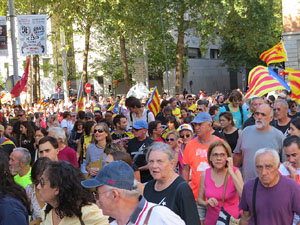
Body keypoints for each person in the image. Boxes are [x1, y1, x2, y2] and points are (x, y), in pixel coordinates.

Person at [81, 160, 185, 225]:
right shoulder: (113, 222)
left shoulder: (160, 217)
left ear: (114, 195)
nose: (96, 199)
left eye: (97, 194)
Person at [239, 148, 300, 225]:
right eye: (259, 167)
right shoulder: (249, 187)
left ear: (278, 166)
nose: (263, 172)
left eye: (268, 166)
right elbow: (245, 217)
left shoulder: (292, 187)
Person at [144, 142, 200, 225]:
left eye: (160, 161)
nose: (154, 166)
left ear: (172, 164)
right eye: (151, 161)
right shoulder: (148, 187)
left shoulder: (182, 189)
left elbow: (192, 222)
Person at [37, 161, 109, 224]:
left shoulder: (88, 212)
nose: (38, 187)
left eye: (42, 182)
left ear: (56, 189)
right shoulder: (46, 212)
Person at [182, 112, 221, 223]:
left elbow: (226, 170)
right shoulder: (190, 145)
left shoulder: (219, 143)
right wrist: (185, 189)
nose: (197, 128)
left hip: (216, 196)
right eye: (195, 125)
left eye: (200, 125)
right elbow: (186, 169)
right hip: (196, 196)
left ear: (209, 126)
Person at [233, 103, 284, 181]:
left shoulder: (279, 136)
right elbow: (238, 156)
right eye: (257, 114)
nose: (259, 117)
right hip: (247, 185)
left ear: (271, 118)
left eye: (263, 115)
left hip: (271, 185)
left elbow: (284, 162)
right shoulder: (245, 132)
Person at [197, 140, 243, 225]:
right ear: (210, 157)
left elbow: (244, 195)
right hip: (211, 221)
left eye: (222, 155)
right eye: (215, 155)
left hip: (231, 221)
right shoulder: (205, 173)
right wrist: (207, 203)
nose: (219, 158)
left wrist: (231, 172)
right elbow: (199, 199)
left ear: (228, 157)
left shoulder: (235, 172)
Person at [0, 150, 31, 224]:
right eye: (9, 159)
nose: (9, 163)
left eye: (12, 160)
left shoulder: (10, 207)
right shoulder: (13, 178)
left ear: (23, 163)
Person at [25, 157, 51, 223]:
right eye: (36, 182)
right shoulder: (29, 191)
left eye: (42, 182)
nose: (39, 186)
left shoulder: (58, 192)